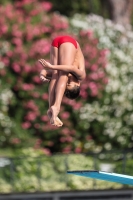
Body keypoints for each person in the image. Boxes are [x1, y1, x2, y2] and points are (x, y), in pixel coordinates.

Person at [39, 35, 86, 127]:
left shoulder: (67, 78)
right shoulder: (81, 76)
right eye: (69, 83)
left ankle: (51, 107)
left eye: (66, 85)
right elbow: (71, 67)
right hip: (69, 42)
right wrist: (52, 67)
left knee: (55, 76)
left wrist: (42, 76)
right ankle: (56, 107)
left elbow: (44, 71)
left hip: (55, 43)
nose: (67, 81)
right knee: (63, 74)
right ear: (78, 83)